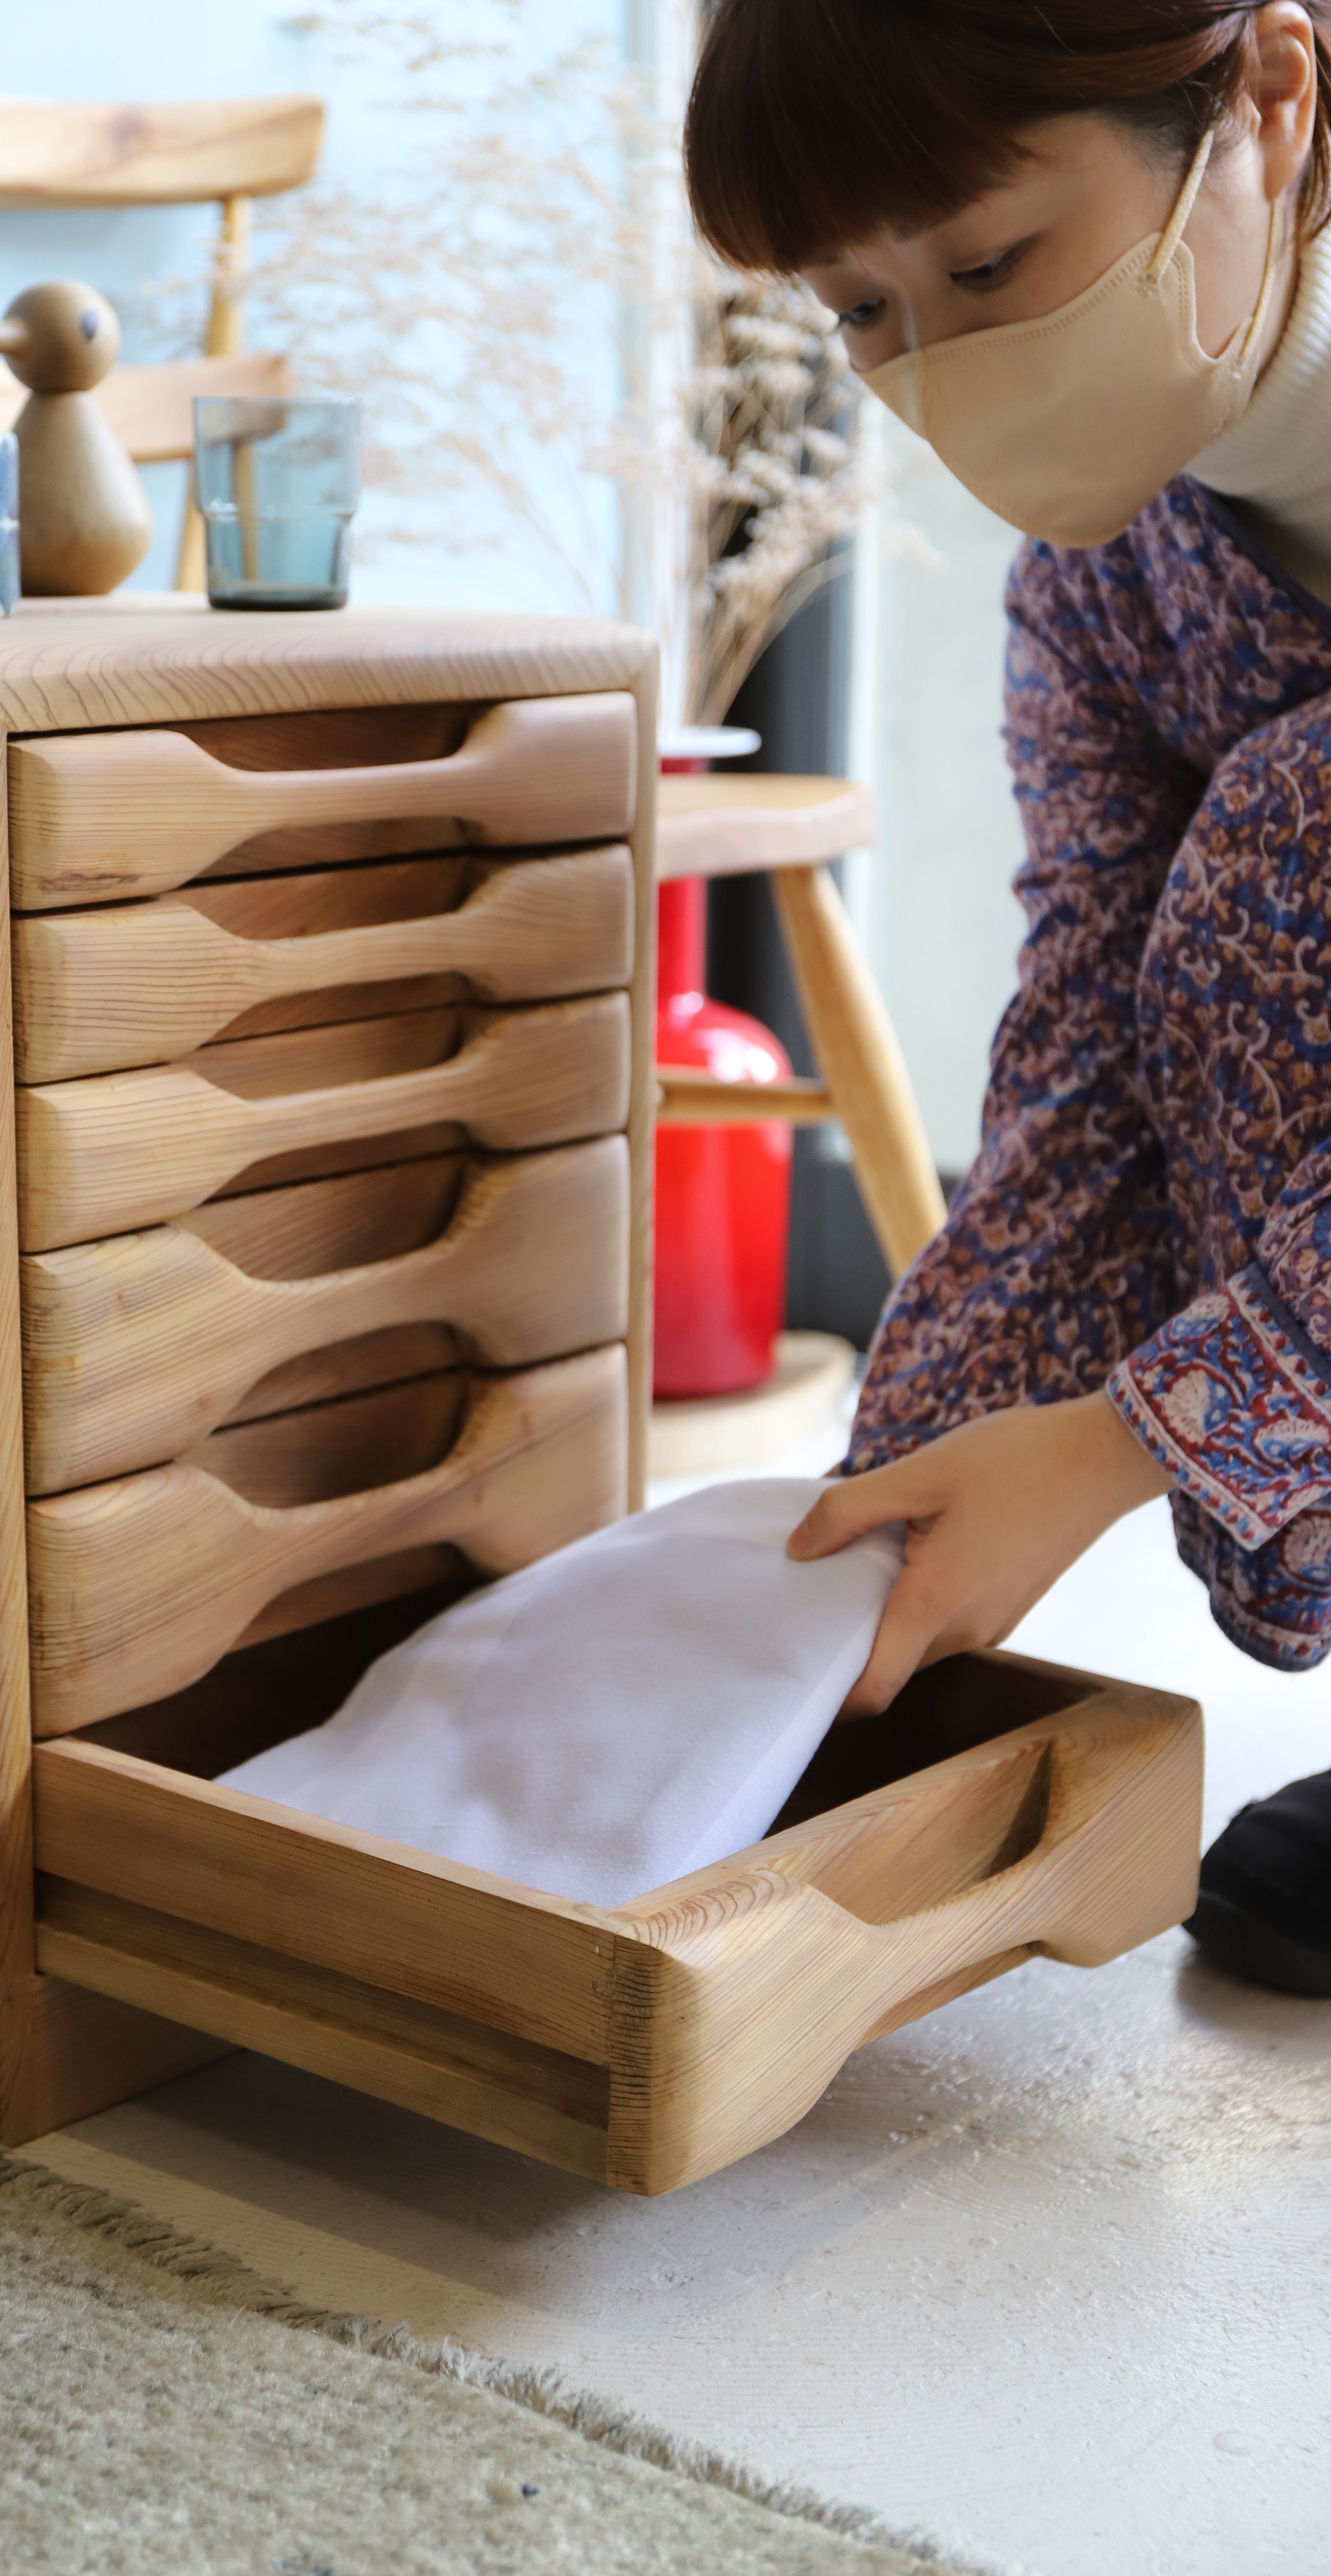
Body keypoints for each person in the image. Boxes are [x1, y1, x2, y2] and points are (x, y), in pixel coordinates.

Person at [684, 0, 1331, 1997]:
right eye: (865, 313)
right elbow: (1087, 1047)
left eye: (988, 264)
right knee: (1208, 923)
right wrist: (877, 1542)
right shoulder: (1109, 565)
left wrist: (1135, 1436)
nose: (943, 361)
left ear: (1272, 101)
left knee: (1294, 837)